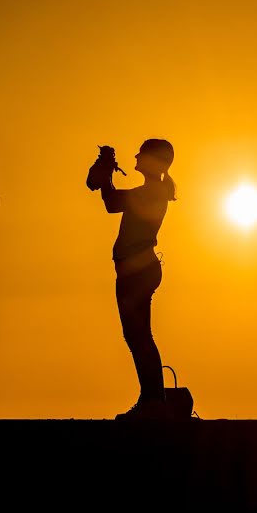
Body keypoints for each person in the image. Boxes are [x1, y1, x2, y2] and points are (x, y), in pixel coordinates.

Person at [96, 139, 176, 420]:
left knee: (138, 336)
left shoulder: (150, 192)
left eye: (141, 153)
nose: (136, 156)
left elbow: (111, 203)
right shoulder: (154, 191)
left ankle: (153, 401)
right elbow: (112, 201)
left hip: (136, 270)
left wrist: (105, 174)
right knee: (139, 335)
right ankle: (152, 399)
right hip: (140, 268)